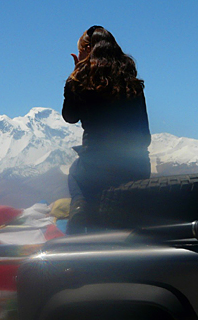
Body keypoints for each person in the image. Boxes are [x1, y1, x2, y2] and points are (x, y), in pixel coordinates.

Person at [63, 26, 151, 234]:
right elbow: (144, 135)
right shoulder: (133, 84)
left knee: (74, 172)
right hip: (135, 168)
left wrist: (75, 75)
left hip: (96, 168)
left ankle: (78, 206)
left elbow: (70, 116)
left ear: (87, 49)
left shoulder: (82, 82)